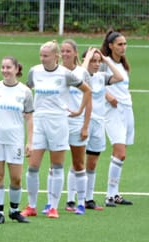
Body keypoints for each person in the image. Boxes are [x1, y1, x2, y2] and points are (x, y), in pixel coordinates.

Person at [21, 40, 91, 219]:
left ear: (56, 57)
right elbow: (26, 91)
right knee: (33, 166)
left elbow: (87, 90)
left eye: (46, 56)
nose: (42, 59)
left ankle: (53, 207)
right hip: (38, 122)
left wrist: (79, 110)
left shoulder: (65, 74)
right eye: (41, 55)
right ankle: (32, 205)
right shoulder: (34, 71)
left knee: (57, 165)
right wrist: (24, 109)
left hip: (58, 122)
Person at [0, 56, 34, 224]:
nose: (5, 70)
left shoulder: (25, 92)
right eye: (3, 67)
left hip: (15, 139)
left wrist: (29, 142)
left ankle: (14, 210)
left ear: (16, 69)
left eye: (8, 67)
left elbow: (29, 117)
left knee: (16, 178)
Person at [80, 47, 124, 210]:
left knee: (92, 163)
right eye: (93, 61)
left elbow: (119, 77)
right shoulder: (80, 76)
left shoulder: (101, 77)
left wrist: (106, 60)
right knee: (78, 163)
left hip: (98, 124)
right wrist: (87, 59)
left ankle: (88, 199)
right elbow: (79, 74)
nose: (96, 64)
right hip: (83, 122)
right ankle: (75, 199)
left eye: (98, 61)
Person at [100, 30, 134, 207]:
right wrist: (107, 96)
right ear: (111, 46)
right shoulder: (105, 63)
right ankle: (109, 195)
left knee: (121, 155)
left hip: (127, 110)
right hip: (112, 111)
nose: (123, 47)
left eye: (125, 44)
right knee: (120, 152)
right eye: (120, 44)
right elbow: (94, 82)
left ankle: (115, 193)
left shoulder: (124, 65)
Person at [60, 40, 93, 214]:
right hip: (58, 122)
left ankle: (80, 202)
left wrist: (85, 125)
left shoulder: (82, 73)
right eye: (62, 51)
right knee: (55, 163)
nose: (64, 54)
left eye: (68, 51)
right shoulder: (55, 72)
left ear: (74, 53)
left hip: (76, 123)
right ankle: (62, 202)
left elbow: (89, 101)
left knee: (78, 162)